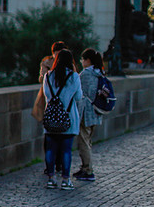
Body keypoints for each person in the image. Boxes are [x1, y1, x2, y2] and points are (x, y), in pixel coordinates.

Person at [42, 48, 82, 190]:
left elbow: (47, 95)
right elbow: (78, 97)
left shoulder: (48, 76)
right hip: (68, 118)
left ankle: (51, 179)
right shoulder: (74, 77)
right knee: (66, 150)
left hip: (51, 117)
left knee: (51, 149)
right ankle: (65, 180)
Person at [74, 48, 104, 182]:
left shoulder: (86, 74)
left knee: (83, 142)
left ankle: (88, 170)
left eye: (82, 59)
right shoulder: (99, 73)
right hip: (96, 112)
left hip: (86, 113)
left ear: (88, 60)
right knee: (88, 140)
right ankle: (85, 168)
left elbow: (79, 94)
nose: (81, 62)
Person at [32, 41, 67, 123]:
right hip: (49, 95)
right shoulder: (46, 62)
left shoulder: (68, 63)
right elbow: (41, 79)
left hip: (64, 94)